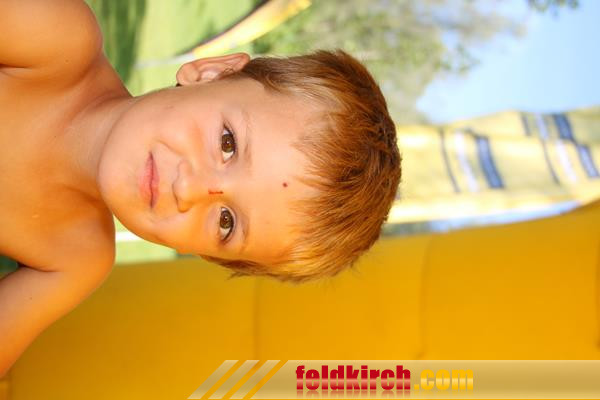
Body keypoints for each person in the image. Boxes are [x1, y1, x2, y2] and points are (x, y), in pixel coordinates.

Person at [0, 0, 402, 377]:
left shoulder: (77, 258)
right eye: (228, 144)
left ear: (206, 255)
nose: (190, 189)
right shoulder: (56, 39)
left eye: (226, 222)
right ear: (211, 73)